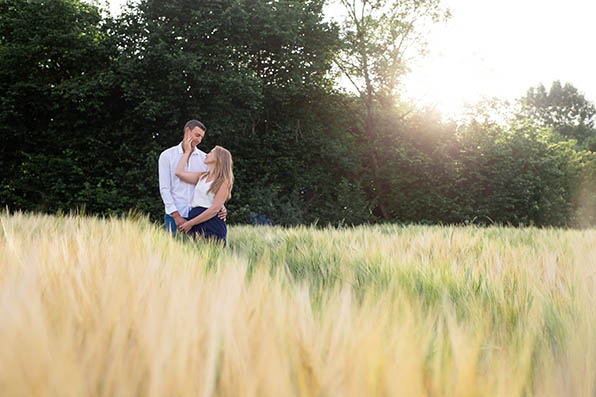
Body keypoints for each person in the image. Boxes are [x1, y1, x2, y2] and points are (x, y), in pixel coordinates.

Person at [158, 120, 226, 234]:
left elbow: (211, 185)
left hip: (198, 218)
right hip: (174, 216)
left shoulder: (205, 159)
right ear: (187, 131)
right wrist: (176, 216)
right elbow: (165, 189)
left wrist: (220, 204)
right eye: (197, 135)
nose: (199, 140)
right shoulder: (167, 156)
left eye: (201, 137)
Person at [175, 136, 234, 244]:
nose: (207, 154)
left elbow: (214, 209)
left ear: (218, 159)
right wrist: (187, 152)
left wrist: (190, 223)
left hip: (211, 224)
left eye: (211, 152)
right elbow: (178, 172)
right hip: (194, 220)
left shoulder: (224, 181)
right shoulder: (202, 176)